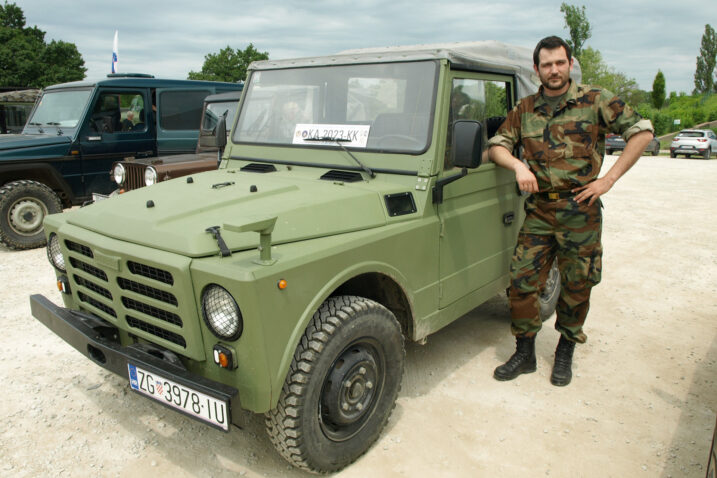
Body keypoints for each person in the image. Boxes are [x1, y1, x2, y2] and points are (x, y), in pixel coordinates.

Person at [487, 35, 653, 386]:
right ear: (537, 70)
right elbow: (497, 145)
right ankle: (525, 351)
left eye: (560, 63)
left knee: (578, 284)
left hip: (582, 210)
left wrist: (608, 180)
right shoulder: (525, 109)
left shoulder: (595, 100)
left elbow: (642, 132)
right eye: (546, 65)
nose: (554, 70)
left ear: (569, 63)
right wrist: (518, 167)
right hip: (539, 212)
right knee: (521, 283)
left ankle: (565, 349)